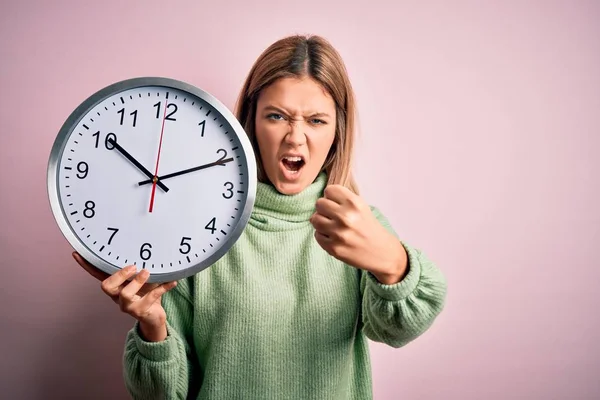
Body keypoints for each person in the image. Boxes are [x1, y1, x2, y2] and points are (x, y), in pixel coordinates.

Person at [74, 34, 447, 400]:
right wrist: (152, 326)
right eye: (277, 116)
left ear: (337, 131)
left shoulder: (355, 225)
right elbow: (163, 394)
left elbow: (398, 330)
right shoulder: (199, 233)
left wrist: (393, 263)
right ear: (250, 123)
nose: (295, 138)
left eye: (316, 121)